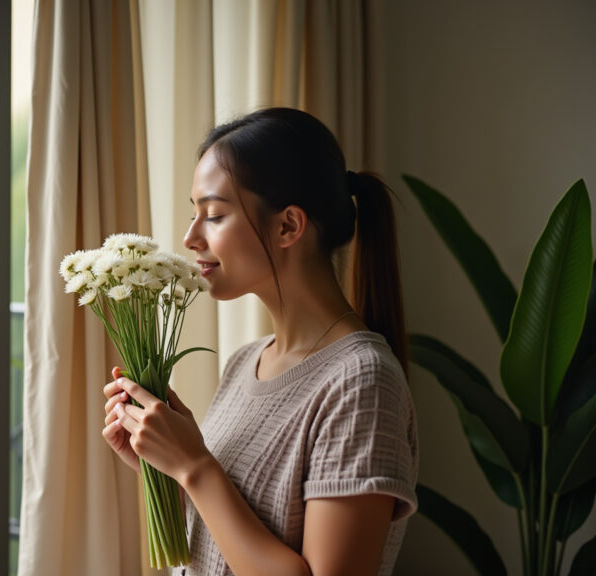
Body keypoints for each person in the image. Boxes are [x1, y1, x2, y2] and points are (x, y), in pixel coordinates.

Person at [102, 107, 418, 576]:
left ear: (288, 226)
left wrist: (195, 466)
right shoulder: (246, 362)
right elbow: (232, 540)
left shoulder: (362, 382)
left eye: (213, 215)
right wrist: (165, 465)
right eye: (194, 214)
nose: (190, 237)